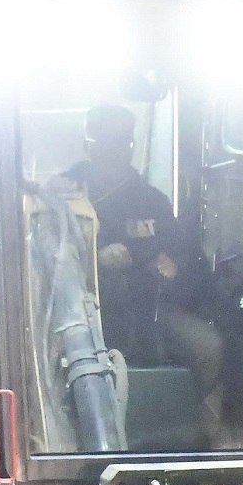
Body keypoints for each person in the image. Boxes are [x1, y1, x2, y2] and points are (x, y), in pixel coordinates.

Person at [70, 102, 228, 438]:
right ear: (90, 147)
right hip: (77, 316)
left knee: (209, 346)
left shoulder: (151, 200)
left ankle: (206, 441)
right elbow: (39, 256)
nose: (115, 153)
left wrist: (175, 268)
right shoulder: (65, 194)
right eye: (106, 144)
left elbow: (186, 257)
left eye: (122, 144)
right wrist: (94, 258)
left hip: (150, 309)